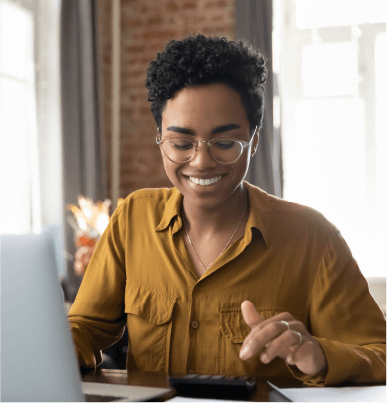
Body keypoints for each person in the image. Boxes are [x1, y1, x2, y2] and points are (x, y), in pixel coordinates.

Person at [68, 34, 386, 386]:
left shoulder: (313, 239)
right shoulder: (132, 219)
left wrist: (318, 355)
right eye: (181, 143)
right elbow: (86, 328)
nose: (201, 161)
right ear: (159, 138)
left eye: (224, 143)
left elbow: (380, 354)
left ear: (254, 141)